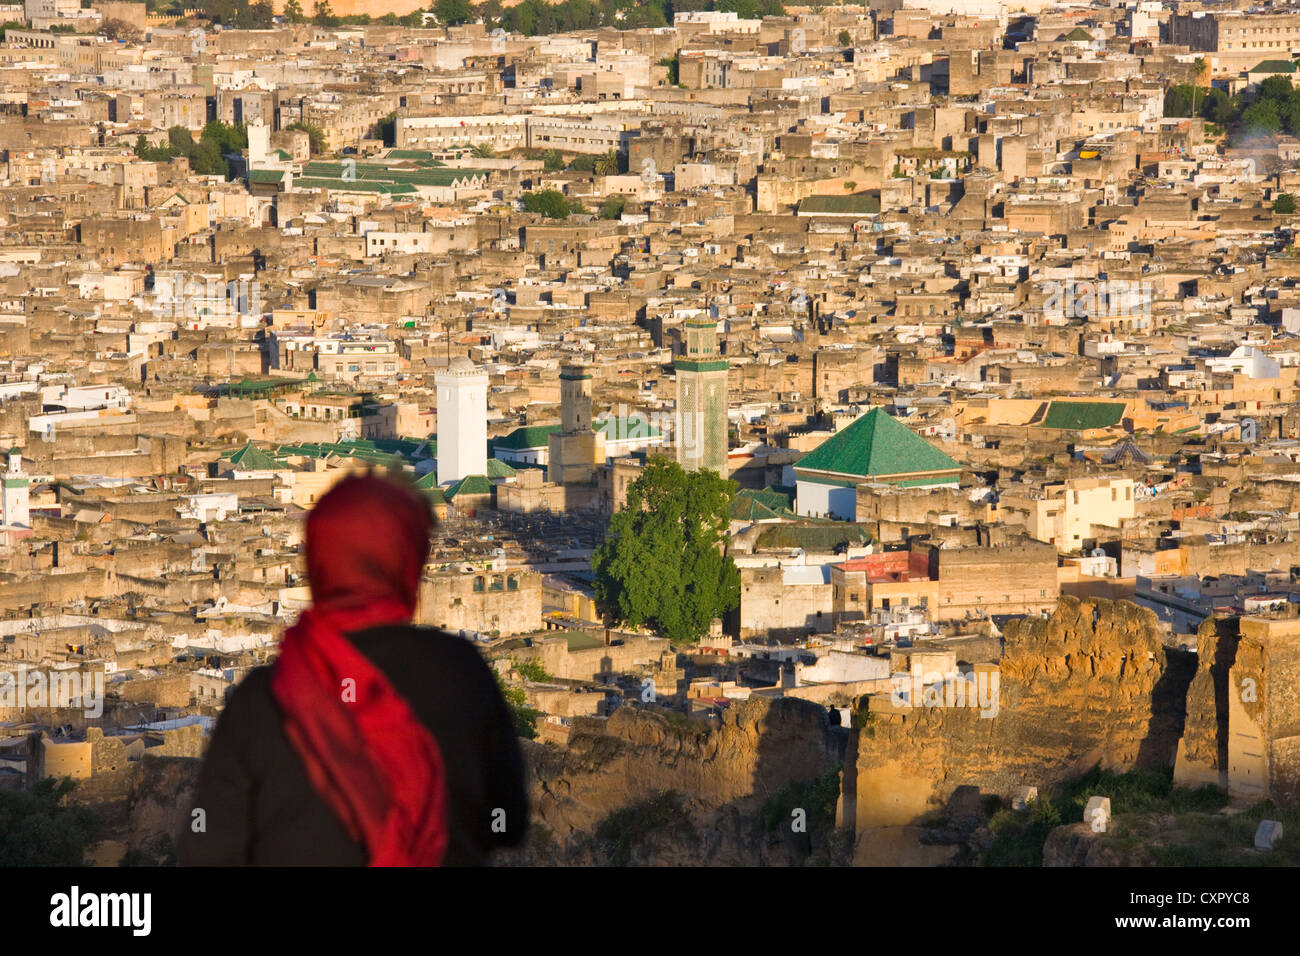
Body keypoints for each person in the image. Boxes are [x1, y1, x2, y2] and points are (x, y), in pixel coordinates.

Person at [179, 472, 528, 866]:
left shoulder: (264, 697)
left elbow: (207, 847)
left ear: (319, 559)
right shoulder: (461, 674)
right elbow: (508, 822)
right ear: (408, 558)